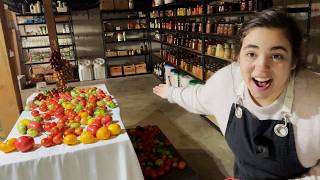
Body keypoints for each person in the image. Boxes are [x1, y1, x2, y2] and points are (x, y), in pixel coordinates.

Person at [153, 9, 320, 179]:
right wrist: (171, 92)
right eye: (251, 54)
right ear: (238, 57)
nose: (261, 67)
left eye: (277, 56)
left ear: (293, 62)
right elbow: (198, 97)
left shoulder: (315, 97)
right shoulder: (227, 82)